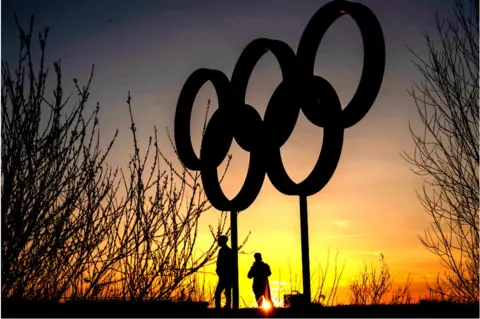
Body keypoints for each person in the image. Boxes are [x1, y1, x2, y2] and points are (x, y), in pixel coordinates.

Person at [215, 235, 232, 309]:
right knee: (225, 291)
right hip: (222, 274)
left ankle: (225, 306)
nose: (218, 242)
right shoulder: (222, 251)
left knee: (224, 292)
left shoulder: (227, 251)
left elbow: (229, 264)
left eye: (219, 240)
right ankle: (224, 306)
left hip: (226, 275)